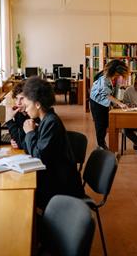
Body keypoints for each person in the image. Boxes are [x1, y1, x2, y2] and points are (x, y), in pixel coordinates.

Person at [22, 76, 84, 209]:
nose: (25, 110)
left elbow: (39, 157)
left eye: (27, 106)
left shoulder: (51, 122)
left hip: (61, 186)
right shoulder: (45, 120)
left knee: (23, 198)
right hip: (55, 177)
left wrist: (30, 133)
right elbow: (32, 149)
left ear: (37, 104)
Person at [90, 59, 129, 150]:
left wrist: (115, 103)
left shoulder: (115, 77)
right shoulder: (103, 78)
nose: (119, 76)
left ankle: (103, 144)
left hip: (106, 101)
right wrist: (119, 103)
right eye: (117, 74)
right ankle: (101, 145)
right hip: (96, 101)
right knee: (100, 124)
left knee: (107, 123)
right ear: (113, 71)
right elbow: (106, 94)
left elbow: (114, 92)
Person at [4, 81, 30, 150]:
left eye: (22, 98)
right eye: (16, 98)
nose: (18, 103)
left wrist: (9, 120)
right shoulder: (20, 113)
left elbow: (22, 143)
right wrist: (14, 140)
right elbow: (19, 138)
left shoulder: (33, 116)